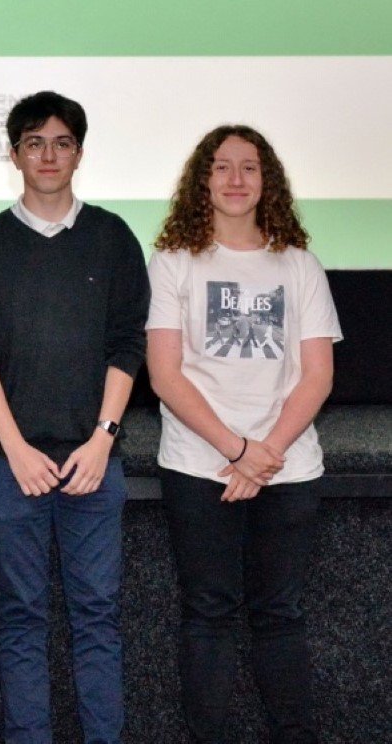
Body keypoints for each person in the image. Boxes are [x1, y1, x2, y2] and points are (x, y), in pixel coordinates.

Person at [0, 91, 149, 744]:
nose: (48, 155)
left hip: (94, 460)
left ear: (79, 154)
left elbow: (127, 344)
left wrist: (102, 439)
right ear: (14, 155)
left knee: (97, 616)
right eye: (33, 143)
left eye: (61, 143)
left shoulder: (112, 237)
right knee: (20, 617)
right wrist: (14, 449)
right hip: (11, 462)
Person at [147, 125, 340, 744]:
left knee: (280, 614)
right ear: (202, 180)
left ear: (267, 181)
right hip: (199, 466)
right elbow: (164, 374)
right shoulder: (174, 261)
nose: (236, 179)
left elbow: (317, 375)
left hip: (288, 468)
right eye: (222, 167)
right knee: (208, 614)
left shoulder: (299, 264)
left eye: (249, 167)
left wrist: (266, 454)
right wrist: (238, 451)